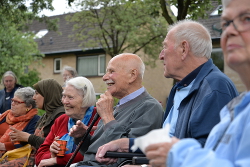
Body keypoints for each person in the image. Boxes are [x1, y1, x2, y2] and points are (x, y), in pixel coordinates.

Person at [97, 0, 250, 166]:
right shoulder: (180, 89)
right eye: (226, 23)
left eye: (164, 47)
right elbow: (170, 142)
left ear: (183, 49)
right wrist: (128, 145)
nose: (161, 55)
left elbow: (209, 152)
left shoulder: (214, 87)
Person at [69, 53, 164, 167]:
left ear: (132, 75)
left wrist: (108, 117)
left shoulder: (150, 107)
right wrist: (81, 137)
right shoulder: (115, 108)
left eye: (111, 71)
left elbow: (128, 155)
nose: (104, 77)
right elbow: (94, 154)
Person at [36, 77, 100, 167]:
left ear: (86, 98)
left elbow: (93, 153)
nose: (65, 101)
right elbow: (39, 156)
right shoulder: (61, 120)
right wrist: (51, 153)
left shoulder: (98, 117)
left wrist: (57, 160)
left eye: (70, 97)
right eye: (64, 96)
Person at [7, 79, 65, 167]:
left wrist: (28, 137)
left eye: (37, 93)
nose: (33, 97)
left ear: (47, 94)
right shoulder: (46, 115)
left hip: (44, 161)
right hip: (35, 157)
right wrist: (20, 138)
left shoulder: (61, 115)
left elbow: (57, 146)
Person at [0, 87, 39, 157]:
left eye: (17, 102)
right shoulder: (6, 115)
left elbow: (29, 144)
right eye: (12, 100)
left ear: (29, 107)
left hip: (10, 156)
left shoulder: (34, 120)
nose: (12, 104)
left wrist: (4, 146)